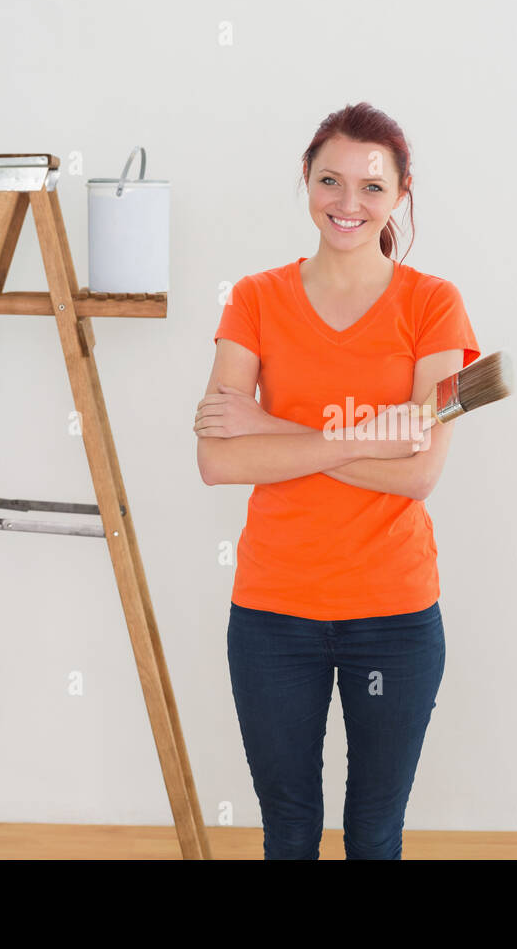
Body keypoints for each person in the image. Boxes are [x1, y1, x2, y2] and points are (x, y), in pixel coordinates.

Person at [195, 101, 480, 859]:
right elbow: (218, 459)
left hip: (394, 611)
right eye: (330, 181)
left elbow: (419, 471)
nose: (348, 204)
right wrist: (364, 438)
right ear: (306, 181)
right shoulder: (255, 298)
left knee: (373, 833)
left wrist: (273, 430)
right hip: (272, 612)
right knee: (288, 831)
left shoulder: (432, 304)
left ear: (401, 193)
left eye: (372, 187)